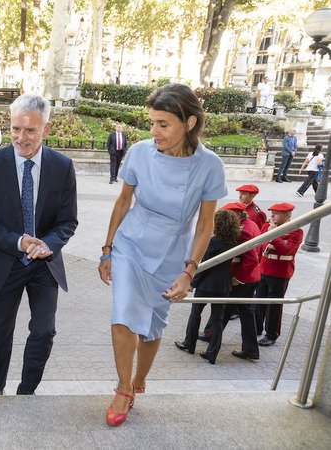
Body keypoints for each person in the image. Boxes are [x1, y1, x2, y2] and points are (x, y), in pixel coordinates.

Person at [98, 83, 227, 426]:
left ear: (189, 122)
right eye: (152, 122)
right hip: (131, 243)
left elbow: (205, 225)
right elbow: (123, 200)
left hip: (172, 251)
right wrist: (107, 249)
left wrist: (189, 271)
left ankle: (140, 378)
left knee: (153, 328)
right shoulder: (140, 152)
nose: (154, 131)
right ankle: (124, 388)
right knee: (124, 315)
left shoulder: (210, 165)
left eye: (163, 124)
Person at [0, 93, 78, 397]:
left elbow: (68, 221)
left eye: (30, 130)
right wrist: (18, 241)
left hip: (45, 264)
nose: (21, 137)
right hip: (5, 261)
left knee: (44, 331)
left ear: (46, 129)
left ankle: (26, 393)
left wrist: (47, 243)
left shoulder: (62, 166)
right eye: (16, 128)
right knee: (0, 331)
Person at [175, 209, 240, 365]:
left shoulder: (213, 242)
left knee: (196, 314)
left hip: (207, 284)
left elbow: (203, 265)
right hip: (223, 284)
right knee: (217, 319)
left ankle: (189, 344)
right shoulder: (234, 241)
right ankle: (212, 353)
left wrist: (192, 282)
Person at [255, 202, 303, 347]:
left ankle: (271, 334)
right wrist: (275, 242)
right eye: (272, 212)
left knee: (274, 305)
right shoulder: (267, 226)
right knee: (259, 301)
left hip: (280, 272)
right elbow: (260, 245)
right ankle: (256, 328)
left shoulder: (295, 230)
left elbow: (287, 250)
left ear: (287, 215)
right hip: (264, 268)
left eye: (276, 213)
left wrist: (274, 236)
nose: (272, 215)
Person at [219, 202, 261, 361]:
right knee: (241, 311)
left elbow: (251, 259)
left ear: (237, 215)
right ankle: (250, 349)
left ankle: (212, 337)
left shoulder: (243, 231)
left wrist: (238, 279)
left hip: (245, 279)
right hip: (252, 277)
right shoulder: (250, 225)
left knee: (226, 309)